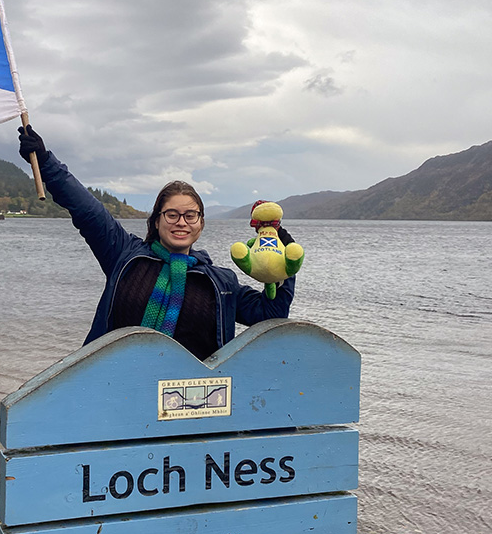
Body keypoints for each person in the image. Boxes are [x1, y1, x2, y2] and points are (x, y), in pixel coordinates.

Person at [18, 125, 296, 361]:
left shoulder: (221, 283)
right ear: (156, 221)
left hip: (190, 406)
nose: (181, 222)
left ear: (201, 224)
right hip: (114, 389)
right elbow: (87, 210)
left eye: (190, 215)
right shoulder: (124, 255)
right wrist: (45, 162)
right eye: (172, 214)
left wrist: (285, 264)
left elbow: (271, 314)